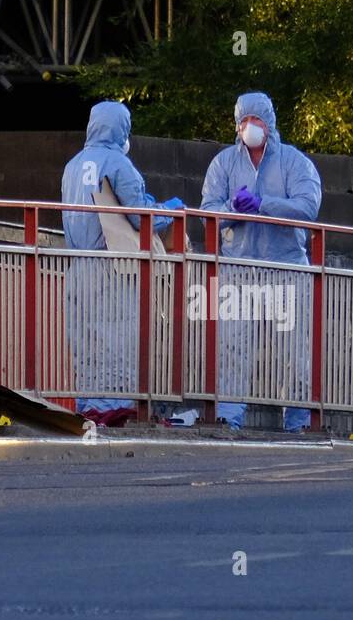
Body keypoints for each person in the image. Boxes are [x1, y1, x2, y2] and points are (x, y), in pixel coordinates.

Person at [199, 92, 322, 431]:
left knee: (295, 353)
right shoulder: (223, 163)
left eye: (255, 120)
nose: (249, 127)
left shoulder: (295, 163)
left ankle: (298, 423)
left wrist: (264, 204)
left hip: (286, 268)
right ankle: (228, 417)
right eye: (243, 121)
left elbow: (307, 208)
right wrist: (232, 210)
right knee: (233, 348)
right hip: (237, 270)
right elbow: (207, 214)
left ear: (270, 124)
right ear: (236, 125)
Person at [60, 101, 183, 425]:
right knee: (118, 339)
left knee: (85, 341)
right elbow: (140, 217)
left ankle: (89, 405)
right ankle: (113, 408)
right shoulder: (118, 164)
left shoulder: (72, 166)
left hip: (77, 266)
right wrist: (169, 209)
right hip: (110, 270)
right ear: (121, 129)